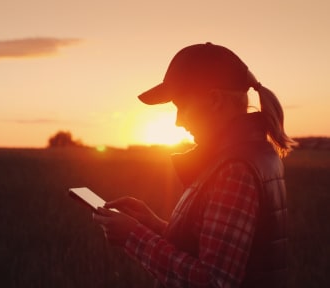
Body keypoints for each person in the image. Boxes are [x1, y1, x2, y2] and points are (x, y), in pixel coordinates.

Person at [93, 42, 296, 287]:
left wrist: (134, 237)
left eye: (181, 106)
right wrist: (155, 226)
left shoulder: (235, 170)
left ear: (214, 101)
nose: (178, 122)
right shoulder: (247, 155)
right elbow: (216, 247)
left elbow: (213, 281)